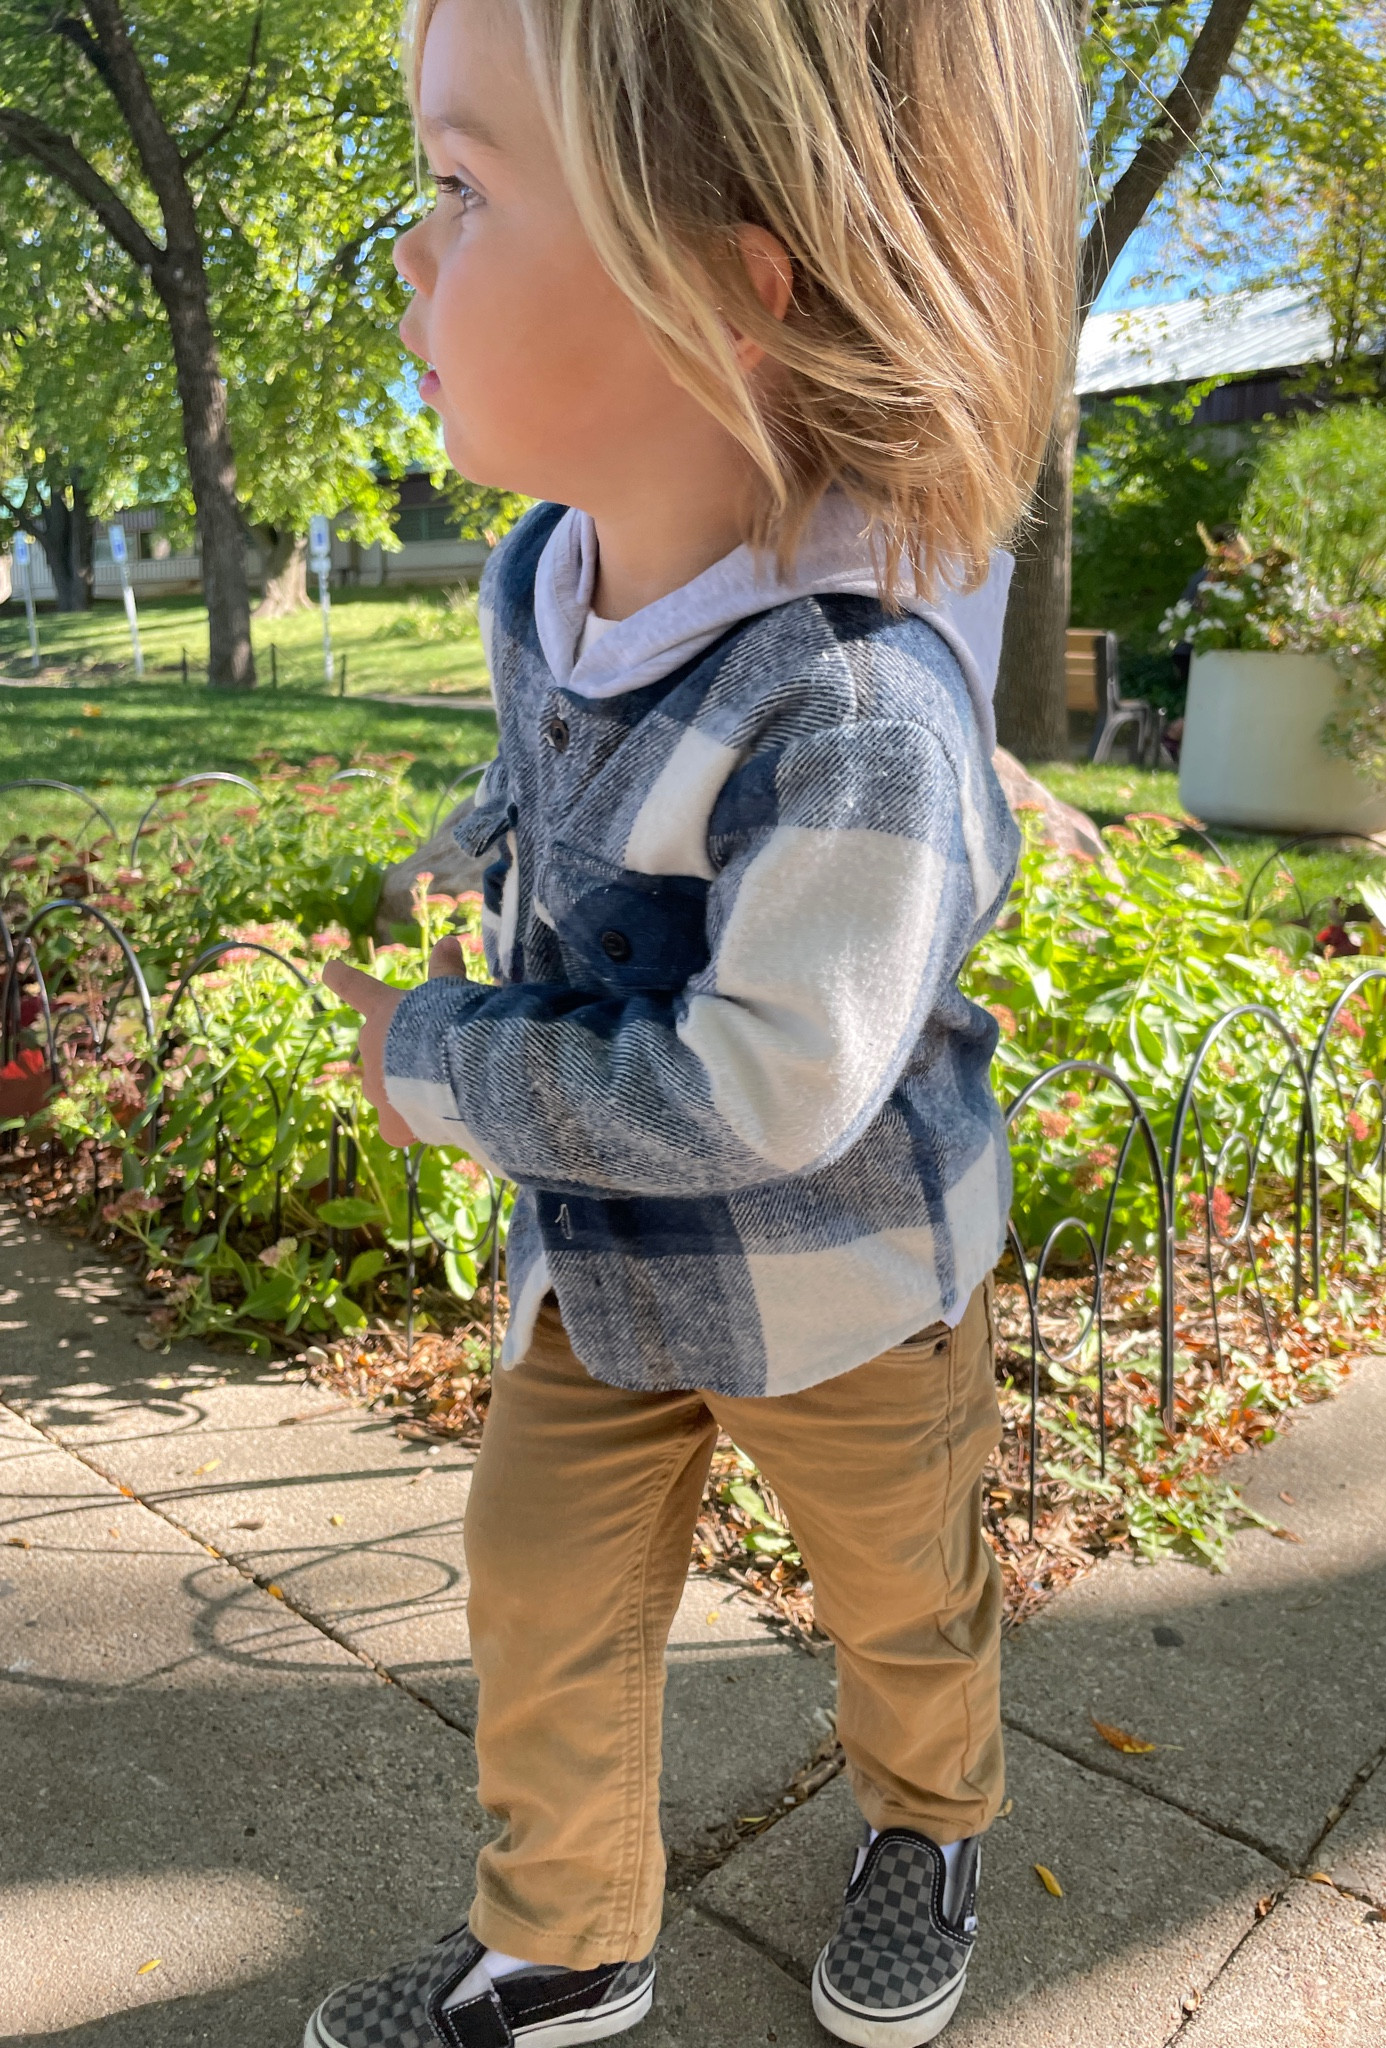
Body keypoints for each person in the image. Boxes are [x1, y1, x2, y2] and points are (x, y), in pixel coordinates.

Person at [312, 0, 1076, 2039]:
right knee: (539, 1585)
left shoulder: (853, 708)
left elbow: (768, 1087)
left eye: (463, 188)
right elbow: (556, 759)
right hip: (610, 1263)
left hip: (840, 1284)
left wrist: (440, 1064)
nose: (408, 257)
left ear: (731, 293)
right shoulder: (545, 576)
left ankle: (930, 1820)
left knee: (901, 1592)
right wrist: (482, 841)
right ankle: (564, 1935)